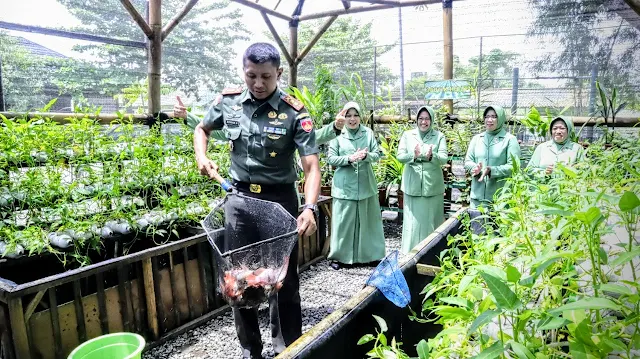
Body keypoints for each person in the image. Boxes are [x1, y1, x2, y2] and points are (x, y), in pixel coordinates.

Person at [174, 42, 320, 359]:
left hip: (280, 202)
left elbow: (311, 166)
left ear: (278, 74)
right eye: (251, 75)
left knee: (283, 279)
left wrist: (309, 207)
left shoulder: (294, 112)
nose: (257, 83)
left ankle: (287, 347)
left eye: (266, 76)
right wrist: (201, 155)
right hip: (239, 201)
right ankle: (250, 348)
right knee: (238, 278)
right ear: (244, 71)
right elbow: (201, 128)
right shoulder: (229, 103)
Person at [326, 101, 385, 270]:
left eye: (355, 115)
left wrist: (365, 156)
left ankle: (372, 256)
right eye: (348, 115)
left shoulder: (368, 133)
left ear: (360, 117)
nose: (352, 119)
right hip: (344, 187)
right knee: (344, 222)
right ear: (343, 118)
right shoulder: (338, 135)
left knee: (368, 222)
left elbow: (377, 154)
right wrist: (349, 158)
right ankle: (339, 257)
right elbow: (330, 158)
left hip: (366, 184)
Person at [396, 106, 448, 253]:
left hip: (432, 186)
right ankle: (410, 252)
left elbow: (444, 158)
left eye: (427, 119)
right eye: (421, 118)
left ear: (431, 120)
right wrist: (414, 155)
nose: (423, 122)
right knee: (413, 222)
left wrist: (432, 156)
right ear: (416, 120)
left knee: (432, 220)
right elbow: (400, 156)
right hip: (412, 184)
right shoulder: (407, 135)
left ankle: (432, 253)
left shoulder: (439, 136)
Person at [464, 105, 521, 209]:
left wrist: (492, 170)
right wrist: (474, 168)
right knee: (476, 224)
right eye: (487, 116)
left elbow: (514, 167)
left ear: (500, 118)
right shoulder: (477, 139)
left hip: (499, 199)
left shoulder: (509, 140)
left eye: (494, 116)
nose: (489, 120)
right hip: (477, 197)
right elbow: (468, 161)